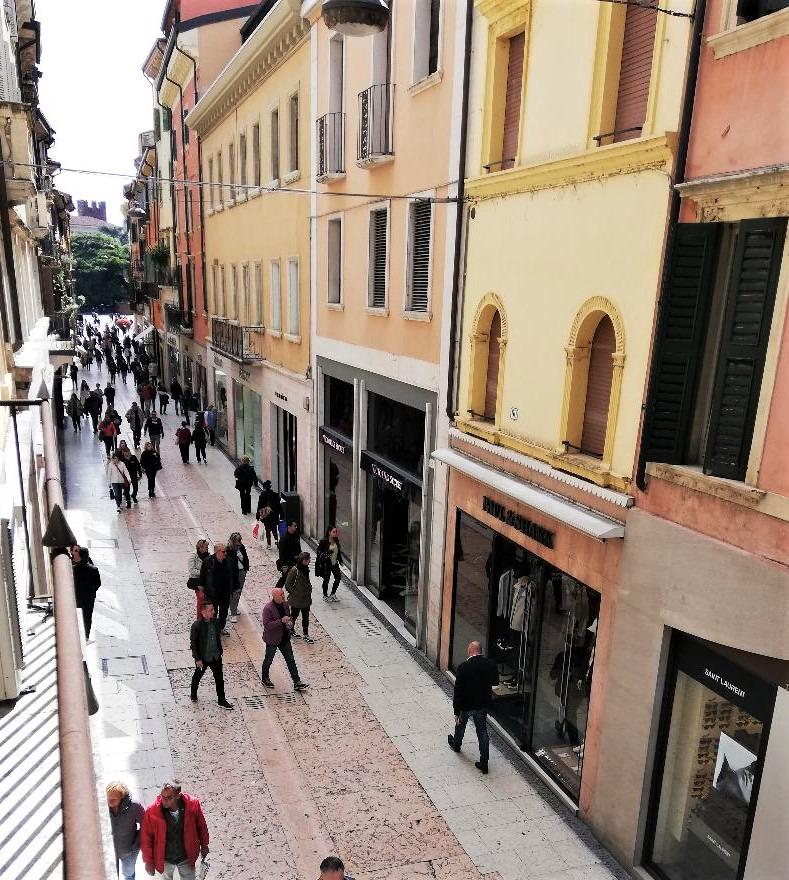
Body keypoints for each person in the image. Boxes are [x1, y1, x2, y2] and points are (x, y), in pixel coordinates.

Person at [447, 641, 499, 774]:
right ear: (480, 651)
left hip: (466, 705)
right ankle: (484, 762)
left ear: (470, 651)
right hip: (482, 704)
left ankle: (456, 745)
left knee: (460, 726)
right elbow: (495, 682)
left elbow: (458, 691)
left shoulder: (463, 667)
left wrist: (456, 711)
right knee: (482, 732)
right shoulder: (490, 664)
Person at [141, 780, 209, 879]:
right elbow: (146, 837)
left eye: (169, 798)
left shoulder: (192, 804)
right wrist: (148, 861)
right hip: (164, 858)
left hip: (186, 856)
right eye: (162, 796)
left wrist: (204, 844)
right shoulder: (152, 811)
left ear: (178, 796)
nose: (164, 800)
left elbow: (201, 825)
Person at [260, 587, 309, 691]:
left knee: (290, 660)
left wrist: (290, 623)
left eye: (283, 594)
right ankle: (265, 678)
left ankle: (297, 682)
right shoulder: (268, 608)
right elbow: (267, 625)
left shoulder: (285, 604)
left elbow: (288, 616)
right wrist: (281, 621)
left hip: (285, 638)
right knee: (269, 659)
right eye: (281, 595)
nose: (283, 596)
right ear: (274, 596)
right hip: (273, 639)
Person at [190, 601, 233, 709]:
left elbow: (218, 637)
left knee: (219, 679)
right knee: (197, 676)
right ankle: (193, 694)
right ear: (203, 612)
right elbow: (193, 644)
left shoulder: (215, 622)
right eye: (211, 610)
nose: (214, 612)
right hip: (203, 658)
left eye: (213, 609)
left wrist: (220, 651)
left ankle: (221, 700)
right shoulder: (197, 626)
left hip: (216, 656)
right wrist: (197, 659)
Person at [107, 781, 145, 880]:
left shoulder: (135, 807)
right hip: (109, 851)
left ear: (122, 797)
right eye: (107, 798)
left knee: (129, 874)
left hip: (129, 851)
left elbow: (145, 825)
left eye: (113, 799)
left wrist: (136, 845)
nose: (109, 802)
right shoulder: (102, 806)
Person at [199, 542, 234, 633]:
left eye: (225, 551)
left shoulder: (229, 561)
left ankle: (221, 628)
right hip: (212, 593)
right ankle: (212, 629)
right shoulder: (208, 561)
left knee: (224, 613)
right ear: (217, 552)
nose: (225, 553)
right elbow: (202, 577)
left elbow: (233, 575)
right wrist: (202, 591)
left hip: (225, 593)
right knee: (212, 612)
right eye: (223, 551)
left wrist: (233, 588)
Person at [284, 551, 314, 643]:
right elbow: (287, 584)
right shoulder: (295, 570)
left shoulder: (305, 568)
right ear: (303, 560)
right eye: (308, 559)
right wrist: (295, 593)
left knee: (306, 617)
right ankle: (290, 630)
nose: (309, 561)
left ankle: (306, 634)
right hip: (296, 599)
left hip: (306, 598)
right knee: (294, 616)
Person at [73, 546, 101, 638]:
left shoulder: (75, 569)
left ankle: (79, 633)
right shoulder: (94, 569)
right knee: (88, 616)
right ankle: (86, 635)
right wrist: (92, 591)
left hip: (78, 596)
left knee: (79, 615)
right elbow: (98, 583)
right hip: (89, 597)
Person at [227, 532, 249, 623]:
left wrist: (246, 568)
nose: (240, 542)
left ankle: (234, 607)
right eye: (238, 540)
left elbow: (246, 558)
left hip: (242, 572)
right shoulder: (229, 550)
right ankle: (233, 613)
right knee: (234, 592)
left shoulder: (242, 547)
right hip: (233, 574)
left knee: (239, 592)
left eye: (240, 540)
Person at [317, 526, 343, 601]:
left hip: (334, 563)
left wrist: (340, 560)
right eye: (333, 532)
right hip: (327, 563)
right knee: (326, 579)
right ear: (329, 532)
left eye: (336, 532)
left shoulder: (336, 540)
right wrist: (327, 553)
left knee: (338, 577)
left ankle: (332, 594)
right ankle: (325, 595)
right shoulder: (323, 541)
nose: (335, 533)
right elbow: (319, 552)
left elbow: (338, 551)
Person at [188, 539, 211, 618]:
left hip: (207, 581)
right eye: (206, 547)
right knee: (200, 599)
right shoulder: (193, 556)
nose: (207, 548)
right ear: (200, 548)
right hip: (197, 581)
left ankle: (206, 617)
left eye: (207, 547)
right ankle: (199, 618)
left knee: (207, 600)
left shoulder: (209, 556)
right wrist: (203, 572)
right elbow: (192, 570)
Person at [276, 521, 301, 588]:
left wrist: (300, 556)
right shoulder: (284, 539)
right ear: (289, 527)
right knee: (284, 578)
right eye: (294, 526)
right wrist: (284, 565)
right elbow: (281, 554)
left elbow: (299, 548)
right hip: (288, 563)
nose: (296, 527)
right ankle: (276, 592)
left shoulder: (296, 536)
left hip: (296, 562)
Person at [256, 480, 280, 548]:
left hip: (266, 515)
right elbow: (278, 505)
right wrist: (281, 513)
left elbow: (259, 506)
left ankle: (269, 544)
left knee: (267, 530)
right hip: (274, 515)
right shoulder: (275, 495)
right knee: (274, 529)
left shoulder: (262, 496)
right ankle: (277, 541)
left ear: (264, 488)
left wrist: (258, 515)